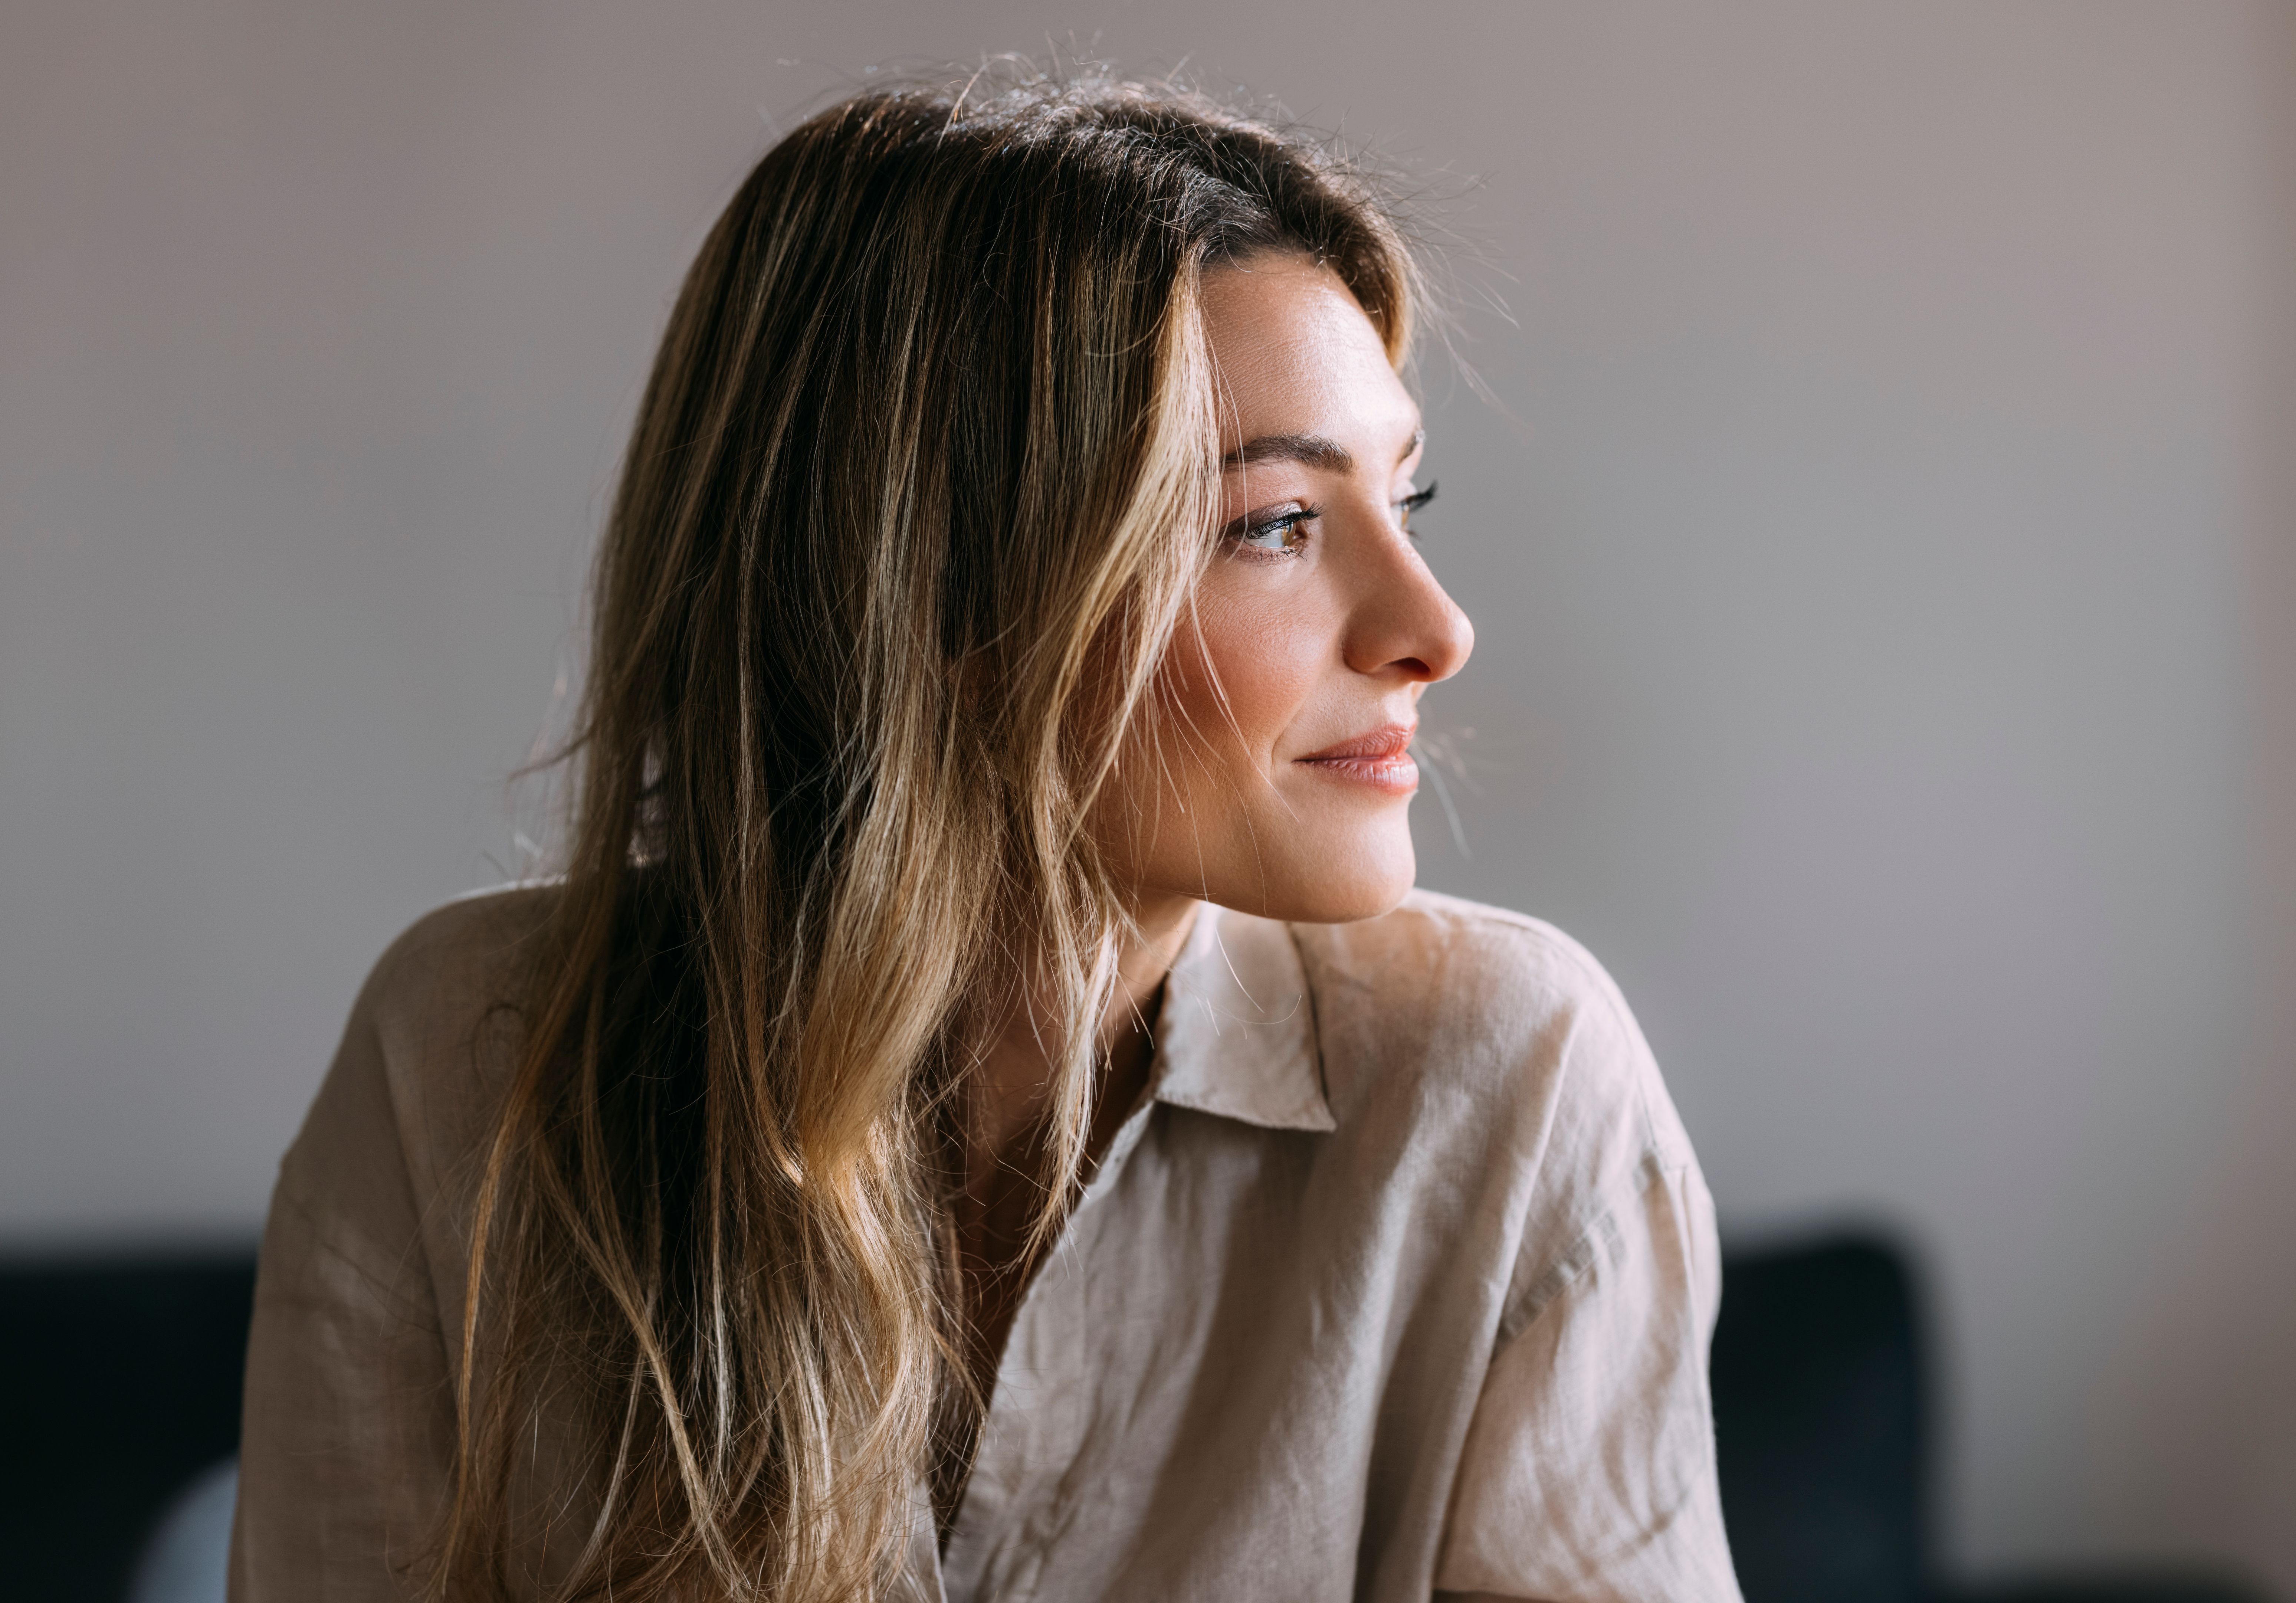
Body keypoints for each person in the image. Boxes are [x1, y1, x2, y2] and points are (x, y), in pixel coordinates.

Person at [229, 69, 1742, 1603]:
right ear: (938, 591)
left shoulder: (1512, 1087)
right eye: (1278, 522)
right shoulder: (467, 1075)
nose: (1438, 628)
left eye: (1405, 499)